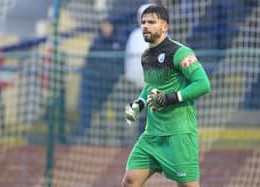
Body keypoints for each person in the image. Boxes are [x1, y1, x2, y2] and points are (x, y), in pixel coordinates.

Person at [122, 5, 211, 187]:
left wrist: (170, 98)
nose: (145, 26)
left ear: (164, 27)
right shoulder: (146, 55)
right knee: (130, 181)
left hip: (178, 134)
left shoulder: (180, 52)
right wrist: (139, 103)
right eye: (144, 22)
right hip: (152, 134)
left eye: (151, 22)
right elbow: (151, 86)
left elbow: (203, 84)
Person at [79, 18, 124, 137]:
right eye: (104, 25)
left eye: (108, 25)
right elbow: (89, 62)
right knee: (94, 106)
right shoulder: (96, 42)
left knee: (119, 105)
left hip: (113, 83)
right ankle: (88, 133)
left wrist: (114, 75)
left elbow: (121, 63)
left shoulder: (118, 41)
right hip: (97, 83)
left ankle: (119, 136)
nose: (106, 28)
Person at [124, 3, 152, 135]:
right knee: (140, 110)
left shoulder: (162, 35)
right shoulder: (135, 35)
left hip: (155, 81)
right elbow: (129, 58)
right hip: (138, 82)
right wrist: (131, 76)